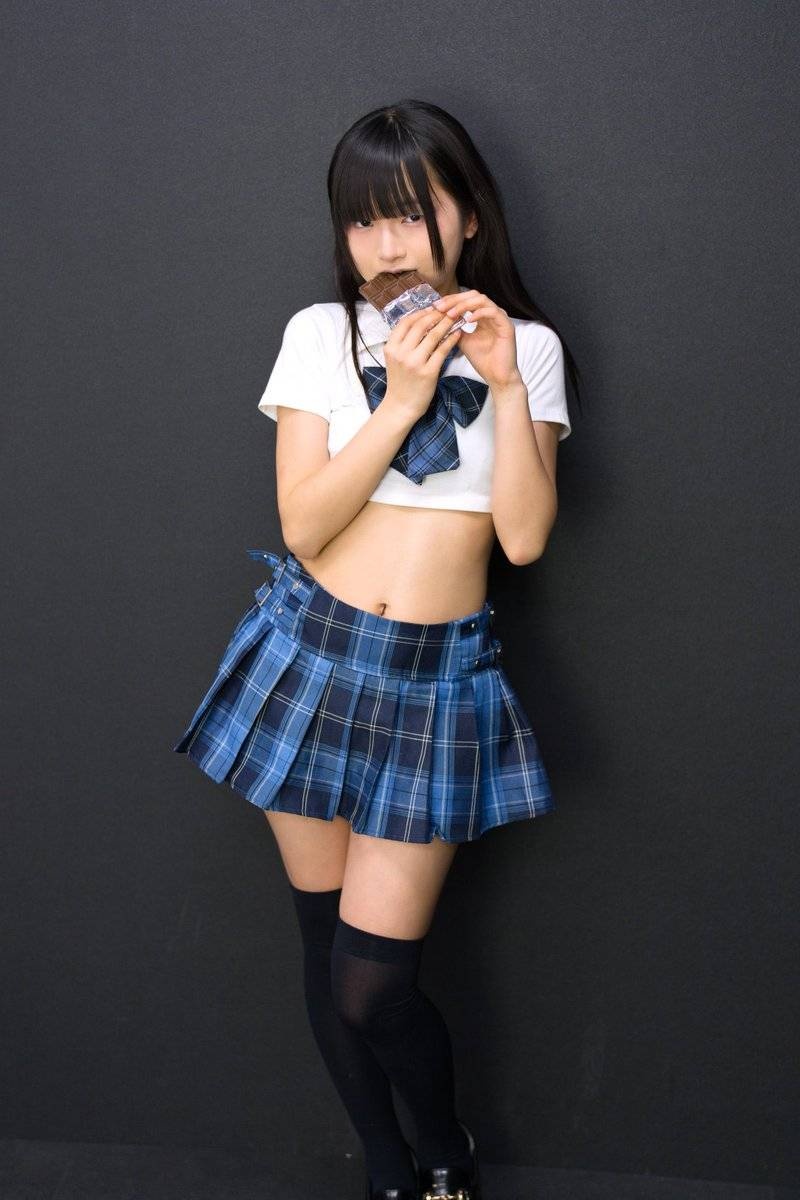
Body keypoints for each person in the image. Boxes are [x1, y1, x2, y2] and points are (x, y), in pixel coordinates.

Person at [173, 98, 581, 1200]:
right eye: (362, 220)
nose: (387, 244)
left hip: (435, 688)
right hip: (306, 662)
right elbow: (305, 527)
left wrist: (500, 381)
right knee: (323, 945)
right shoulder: (321, 335)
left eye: (411, 213)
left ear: (467, 216)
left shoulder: (528, 350)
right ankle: (390, 1170)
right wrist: (400, 400)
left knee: (373, 982)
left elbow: (524, 540)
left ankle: (446, 1153)